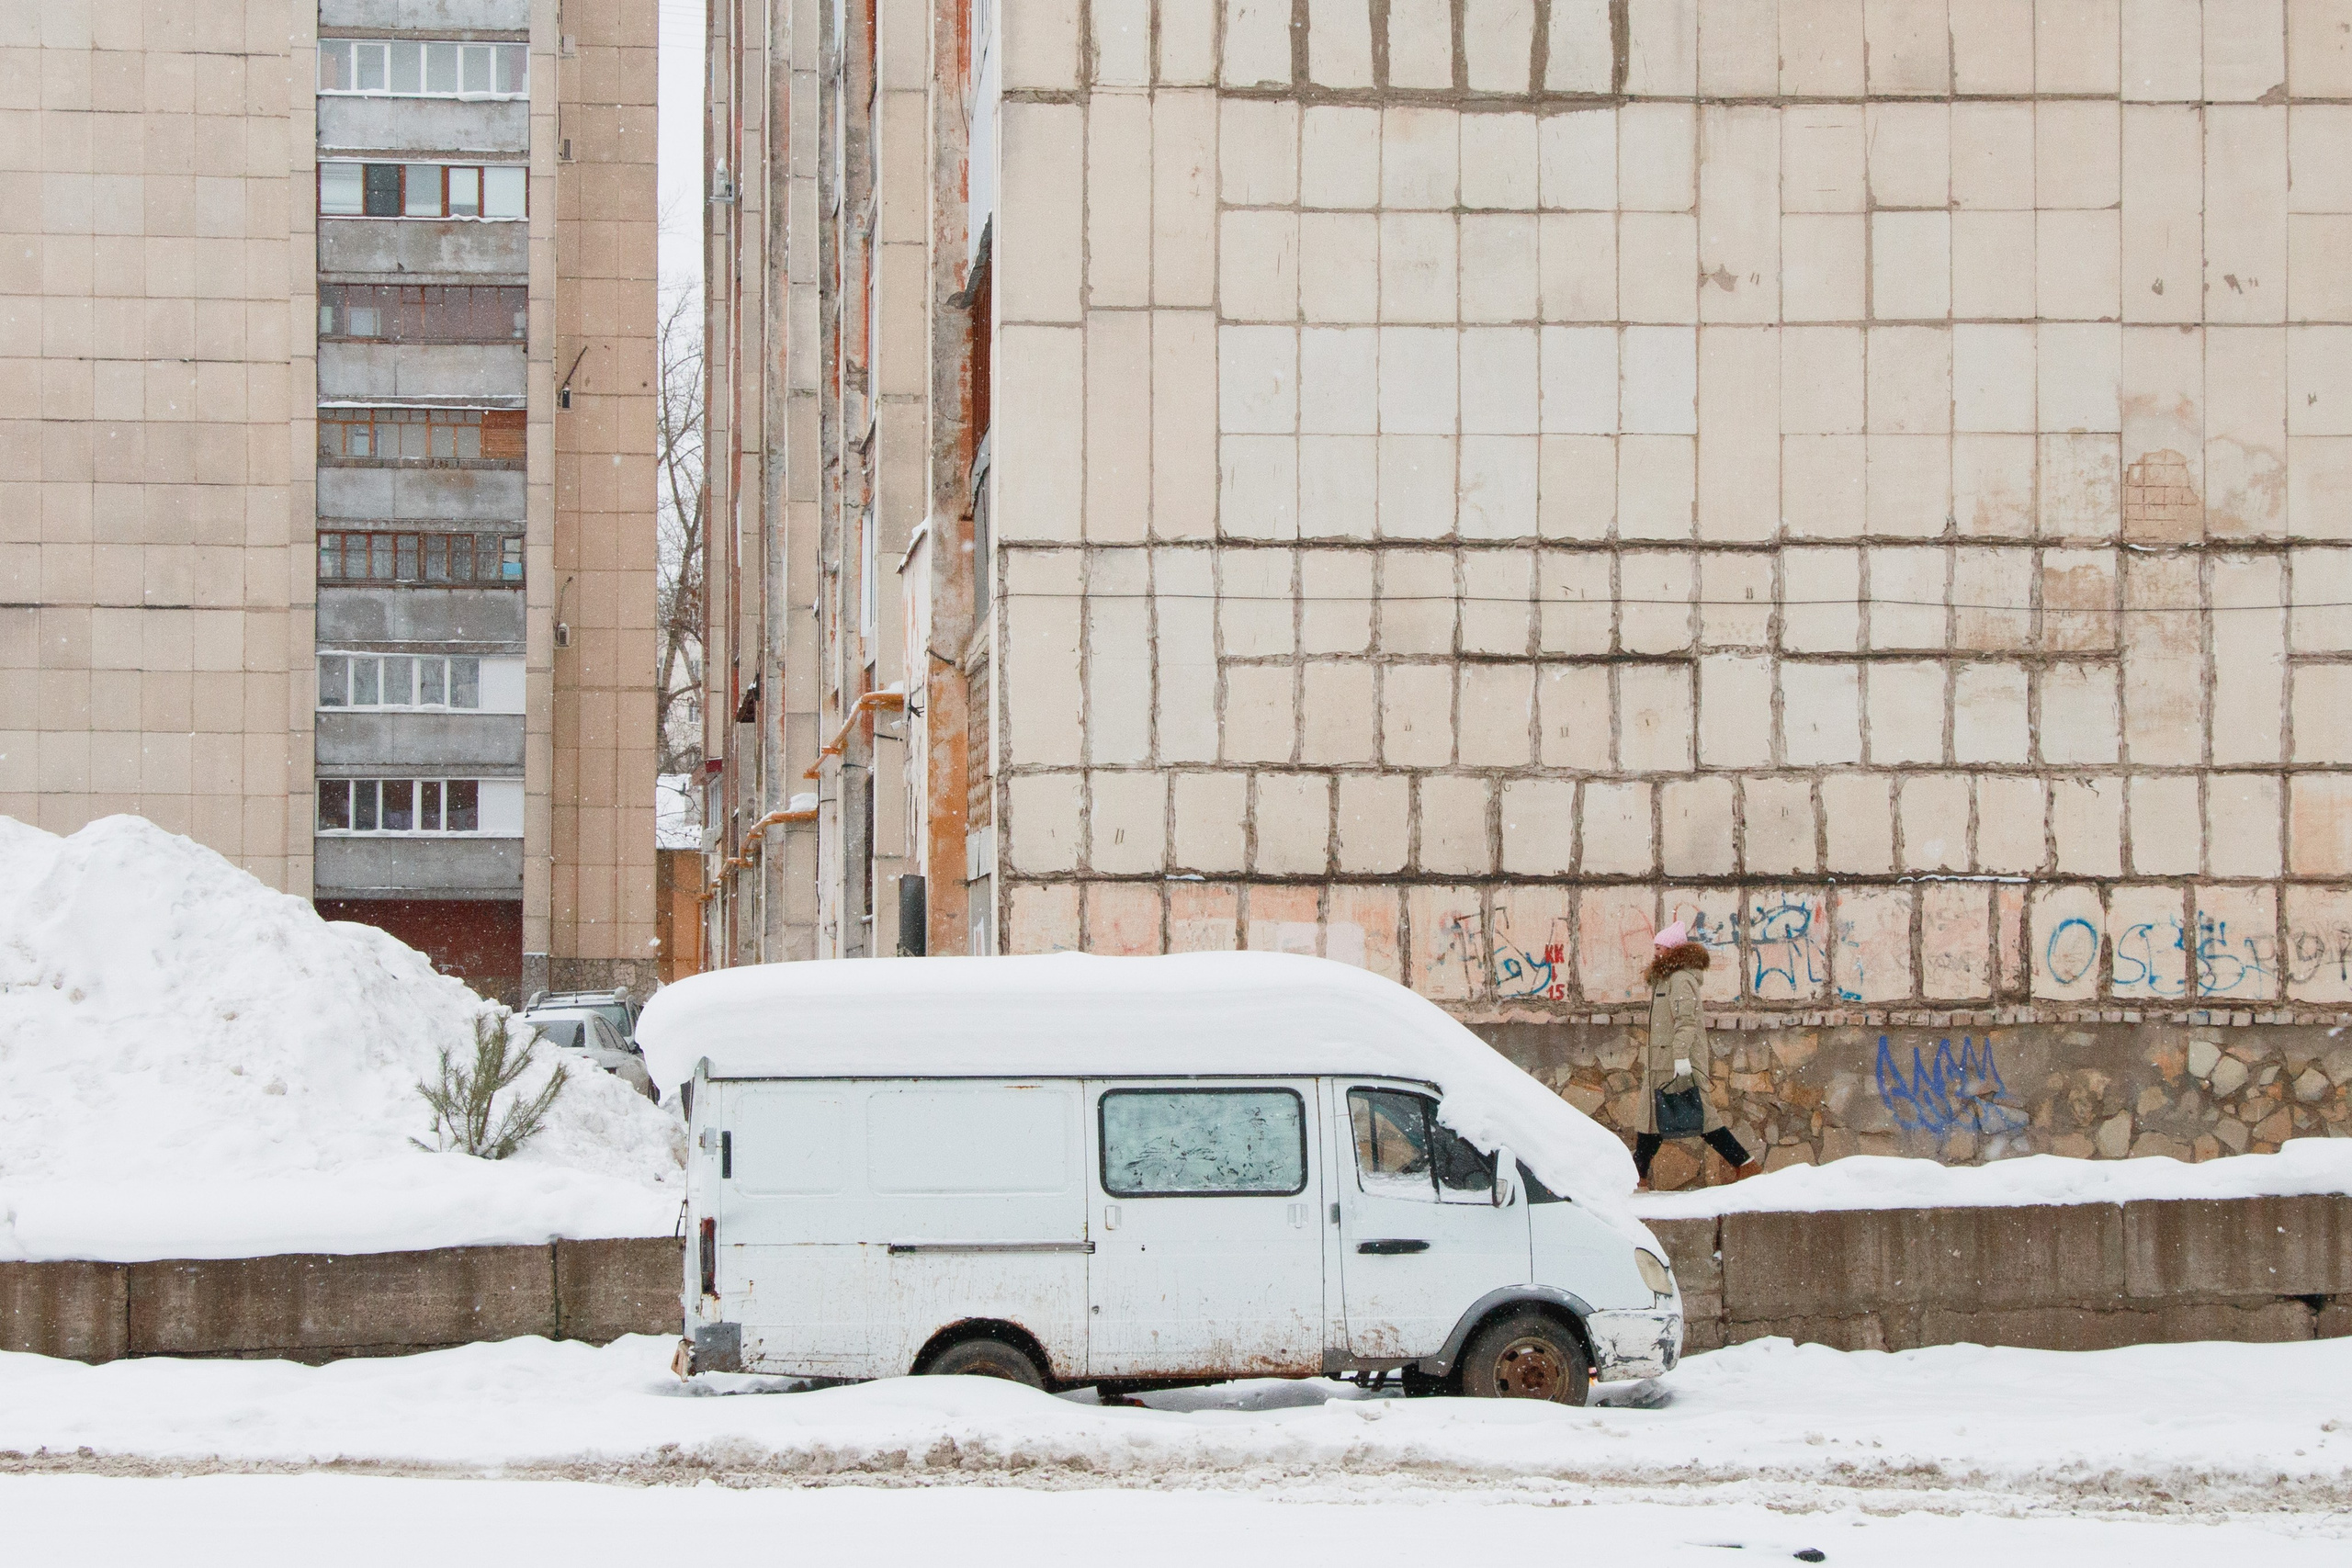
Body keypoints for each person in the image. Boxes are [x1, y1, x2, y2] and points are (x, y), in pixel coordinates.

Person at [1634, 921, 1762, 1190]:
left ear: (1671, 950)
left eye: (1660, 947)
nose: (1655, 952)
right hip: (1661, 1061)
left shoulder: (1679, 979)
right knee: (1650, 1121)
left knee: (1701, 1118)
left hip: (1676, 1062)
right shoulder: (1667, 977)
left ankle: (1745, 1164)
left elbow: (1686, 1022)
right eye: (1655, 947)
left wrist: (1681, 1058)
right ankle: (1639, 1178)